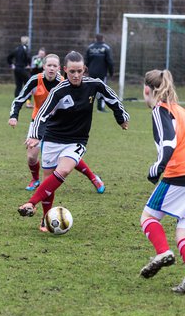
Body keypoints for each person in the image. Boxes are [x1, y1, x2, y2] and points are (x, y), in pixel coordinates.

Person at [18, 51, 129, 232]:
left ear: (84, 69)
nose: (76, 75)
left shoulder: (95, 84)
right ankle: (46, 218)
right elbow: (41, 114)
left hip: (77, 140)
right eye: (72, 72)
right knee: (48, 182)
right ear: (65, 70)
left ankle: (31, 203)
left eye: (79, 71)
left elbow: (113, 99)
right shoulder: (58, 91)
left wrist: (121, 118)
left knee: (64, 169)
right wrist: (35, 135)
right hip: (54, 138)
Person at [9, 53, 105, 202]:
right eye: (49, 65)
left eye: (55, 66)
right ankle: (35, 180)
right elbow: (19, 99)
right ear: (44, 67)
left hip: (59, 124)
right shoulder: (35, 80)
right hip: (38, 122)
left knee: (67, 156)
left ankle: (93, 178)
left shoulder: (64, 82)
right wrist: (14, 116)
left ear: (60, 68)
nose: (52, 68)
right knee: (31, 156)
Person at [140, 69, 185, 294]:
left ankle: (163, 252)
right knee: (183, 229)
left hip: (178, 173)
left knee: (148, 216)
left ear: (147, 90)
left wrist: (157, 167)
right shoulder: (181, 110)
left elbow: (168, 143)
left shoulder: (160, 111)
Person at [85, 33, 114, 112]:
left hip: (91, 73)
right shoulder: (106, 48)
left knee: (89, 89)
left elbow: (86, 61)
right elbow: (110, 62)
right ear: (103, 39)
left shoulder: (90, 48)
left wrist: (84, 71)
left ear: (95, 39)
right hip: (102, 73)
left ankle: (86, 106)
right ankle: (100, 108)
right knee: (102, 89)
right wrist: (111, 73)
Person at [7, 36, 32, 107]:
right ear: (27, 42)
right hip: (23, 69)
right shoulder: (26, 49)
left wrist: (12, 65)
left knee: (18, 86)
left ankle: (16, 102)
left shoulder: (16, 49)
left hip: (16, 69)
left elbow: (9, 57)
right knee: (29, 85)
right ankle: (28, 102)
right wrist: (29, 65)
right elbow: (28, 58)